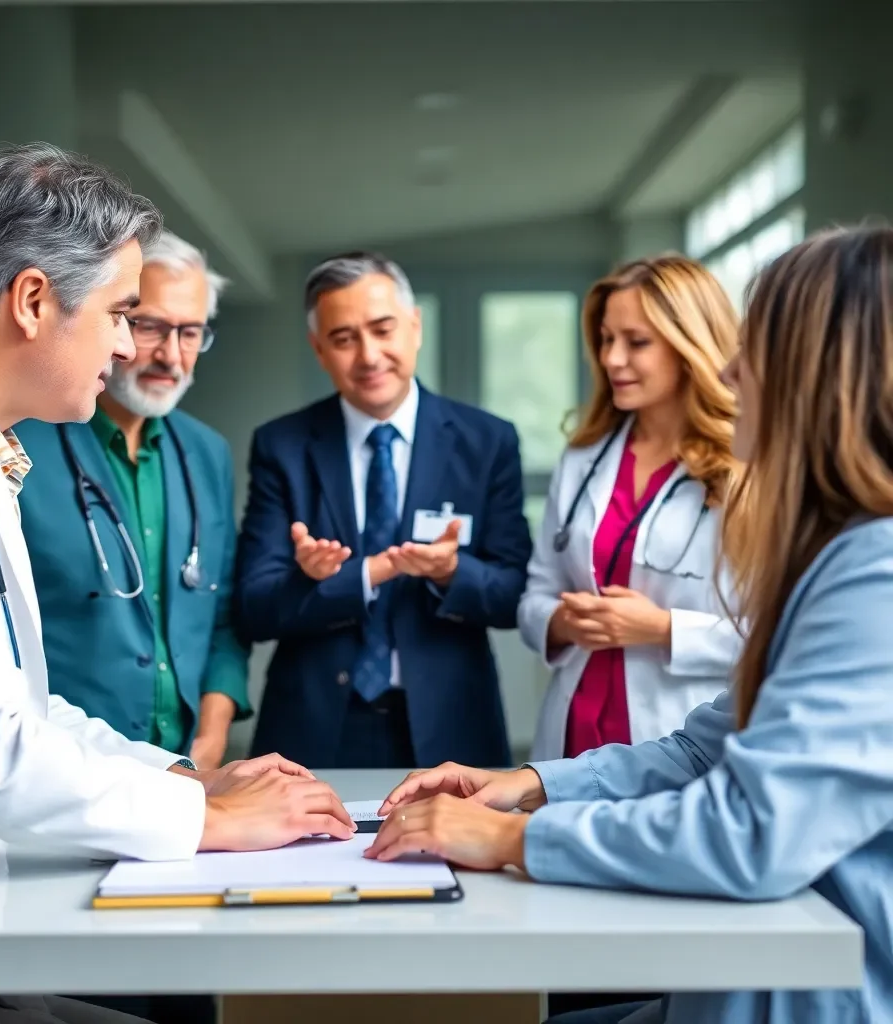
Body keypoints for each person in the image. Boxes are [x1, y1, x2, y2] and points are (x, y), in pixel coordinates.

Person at [0, 143, 352, 1024]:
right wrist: (206, 821)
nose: (133, 344)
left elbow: (19, 703)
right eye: (123, 313)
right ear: (31, 301)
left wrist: (186, 779)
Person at [369, 224, 893, 1023]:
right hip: (729, 955)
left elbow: (749, 833)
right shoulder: (832, 556)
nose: (728, 369)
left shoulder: (874, 576)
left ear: (821, 379)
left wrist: (509, 840)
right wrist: (533, 785)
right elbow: (699, 746)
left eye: (752, 348)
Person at [234, 252, 532, 770]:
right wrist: (337, 578)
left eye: (382, 329)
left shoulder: (487, 441)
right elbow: (255, 607)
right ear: (319, 350)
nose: (369, 356)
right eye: (344, 338)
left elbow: (514, 596)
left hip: (452, 725)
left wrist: (453, 572)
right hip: (313, 728)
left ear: (414, 326)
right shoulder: (281, 446)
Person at [15, 231, 248, 774]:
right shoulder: (23, 441)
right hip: (68, 770)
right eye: (150, 326)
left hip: (190, 769)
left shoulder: (207, 452)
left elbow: (221, 620)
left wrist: (211, 741)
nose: (171, 354)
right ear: (114, 320)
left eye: (190, 332)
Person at [518, 254, 742, 762]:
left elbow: (777, 635)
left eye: (636, 342)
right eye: (605, 338)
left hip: (682, 735)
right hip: (575, 725)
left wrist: (662, 629)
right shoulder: (584, 458)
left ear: (691, 345)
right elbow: (534, 594)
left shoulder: (748, 467)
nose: (612, 358)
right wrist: (560, 622)